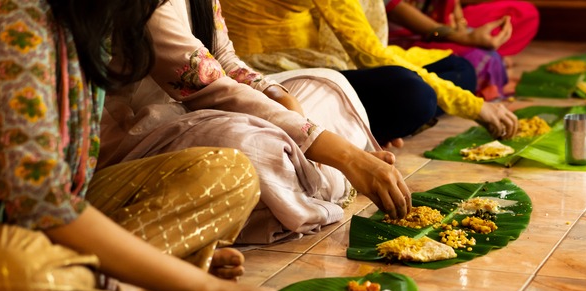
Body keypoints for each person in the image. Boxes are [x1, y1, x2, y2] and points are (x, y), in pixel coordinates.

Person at [0, 0, 297, 291]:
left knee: (232, 173)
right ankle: (146, 280)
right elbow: (41, 202)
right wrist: (206, 289)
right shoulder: (10, 10)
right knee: (32, 288)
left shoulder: (89, 16)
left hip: (59, 216)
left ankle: (116, 288)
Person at [99, 0, 412, 244]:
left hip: (202, 109)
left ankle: (309, 176)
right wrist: (344, 153)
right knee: (248, 145)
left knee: (329, 84)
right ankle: (329, 170)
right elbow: (207, 87)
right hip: (141, 130)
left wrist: (277, 94)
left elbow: (225, 59)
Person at [221, 0, 519, 140]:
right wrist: (476, 107)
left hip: (322, 54)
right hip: (276, 72)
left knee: (459, 68)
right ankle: (365, 129)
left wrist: (456, 35)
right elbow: (368, 54)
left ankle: (374, 121)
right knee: (415, 95)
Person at [385, 0, 540, 99]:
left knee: (525, 13)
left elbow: (452, 6)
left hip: (441, 23)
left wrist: (461, 23)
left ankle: (486, 58)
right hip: (404, 34)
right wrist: (465, 38)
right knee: (474, 62)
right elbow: (394, 8)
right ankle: (488, 67)